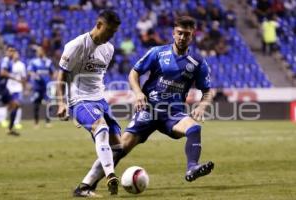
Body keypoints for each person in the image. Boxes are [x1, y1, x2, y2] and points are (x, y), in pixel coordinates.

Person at [79, 15, 215, 194]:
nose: (182, 37)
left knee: (194, 129)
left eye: (187, 34)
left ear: (192, 35)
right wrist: (138, 94)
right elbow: (134, 73)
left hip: (173, 113)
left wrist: (202, 106)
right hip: (149, 109)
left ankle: (192, 167)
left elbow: (207, 91)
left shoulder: (197, 62)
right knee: (120, 147)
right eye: (180, 33)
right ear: (173, 33)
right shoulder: (157, 52)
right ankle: (86, 185)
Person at [56, 10, 121, 197]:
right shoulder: (76, 45)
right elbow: (61, 75)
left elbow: (97, 77)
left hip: (100, 100)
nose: (110, 36)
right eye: (109, 31)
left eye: (114, 33)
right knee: (101, 128)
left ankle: (84, 187)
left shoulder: (109, 49)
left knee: (118, 147)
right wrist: (62, 103)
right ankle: (111, 175)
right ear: (99, 25)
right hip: (80, 100)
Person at [0, 46, 21, 136]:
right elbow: (2, 73)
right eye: (10, 51)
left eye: (13, 51)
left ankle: (10, 129)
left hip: (3, 89)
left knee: (15, 105)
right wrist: (14, 78)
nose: (12, 53)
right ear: (6, 52)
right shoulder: (6, 60)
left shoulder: (9, 62)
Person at [28, 47, 55, 128]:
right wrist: (34, 75)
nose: (38, 52)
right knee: (36, 104)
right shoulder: (33, 62)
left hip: (47, 86)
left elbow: (53, 72)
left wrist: (53, 80)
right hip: (37, 86)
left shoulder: (48, 61)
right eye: (37, 51)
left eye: (40, 51)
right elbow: (29, 71)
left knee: (49, 103)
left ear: (43, 52)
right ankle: (36, 122)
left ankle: (48, 121)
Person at [2, 51, 27, 129]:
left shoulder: (22, 65)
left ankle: (17, 122)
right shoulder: (8, 64)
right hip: (9, 87)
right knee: (9, 105)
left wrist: (24, 88)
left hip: (18, 88)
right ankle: (5, 119)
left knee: (18, 105)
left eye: (17, 54)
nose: (16, 55)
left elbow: (24, 77)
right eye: (15, 54)